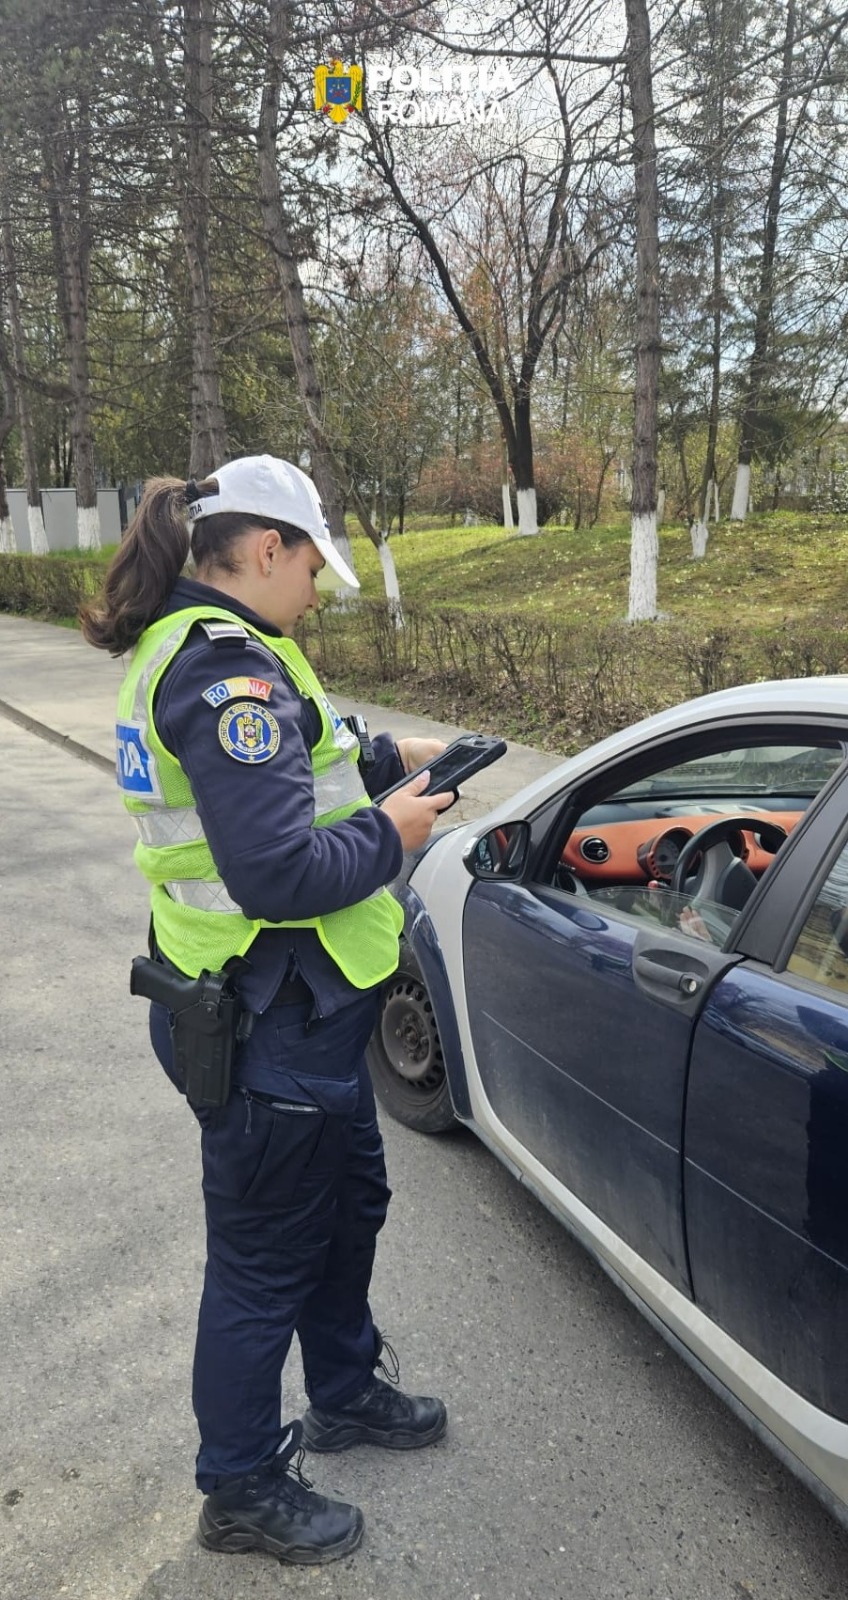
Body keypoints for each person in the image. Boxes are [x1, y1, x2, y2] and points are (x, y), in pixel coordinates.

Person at [82, 454, 454, 1567]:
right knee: (261, 1259)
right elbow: (277, 870)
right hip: (262, 1023)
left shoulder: (237, 652)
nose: (318, 588)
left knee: (348, 1205)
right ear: (263, 548)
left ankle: (342, 1389)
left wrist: (390, 761)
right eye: (312, 566)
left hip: (302, 1015)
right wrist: (393, 833)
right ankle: (239, 1483)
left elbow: (302, 769)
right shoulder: (220, 671)